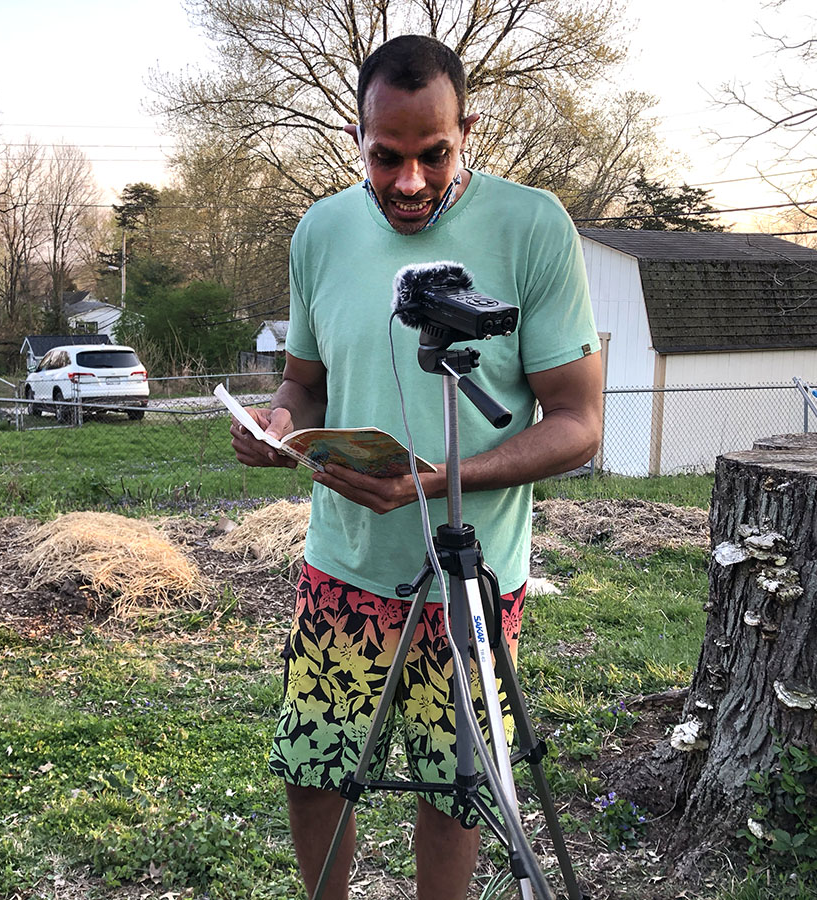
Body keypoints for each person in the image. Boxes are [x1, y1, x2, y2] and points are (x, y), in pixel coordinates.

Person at [229, 34, 603, 900]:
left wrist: (436, 481)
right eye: (386, 156)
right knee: (314, 767)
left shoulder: (533, 224)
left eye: (434, 155)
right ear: (356, 134)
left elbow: (579, 423)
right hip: (342, 566)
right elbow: (304, 380)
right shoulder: (320, 230)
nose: (409, 182)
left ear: (467, 127)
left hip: (470, 584)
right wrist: (282, 422)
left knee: (455, 791)